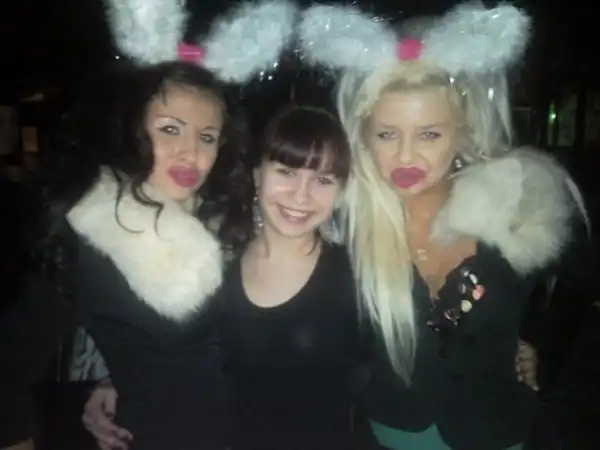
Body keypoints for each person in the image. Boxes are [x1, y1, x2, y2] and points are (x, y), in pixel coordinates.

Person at [0, 0, 299, 448]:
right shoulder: (89, 235)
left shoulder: (231, 217)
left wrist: (108, 383)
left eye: (207, 137)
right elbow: (8, 371)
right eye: (170, 129)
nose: (190, 153)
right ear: (130, 128)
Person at [299, 3, 589, 449]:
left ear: (461, 131)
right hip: (391, 436)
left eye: (429, 134)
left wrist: (541, 349)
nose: (406, 156)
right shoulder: (341, 225)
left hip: (498, 433)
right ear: (364, 137)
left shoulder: (516, 213)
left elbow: (576, 287)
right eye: (387, 134)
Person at [83, 104, 368, 450]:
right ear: (257, 175)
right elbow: (184, 355)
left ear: (340, 191)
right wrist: (114, 381)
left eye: (323, 180)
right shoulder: (216, 258)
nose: (301, 195)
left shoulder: (357, 277)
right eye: (286, 171)